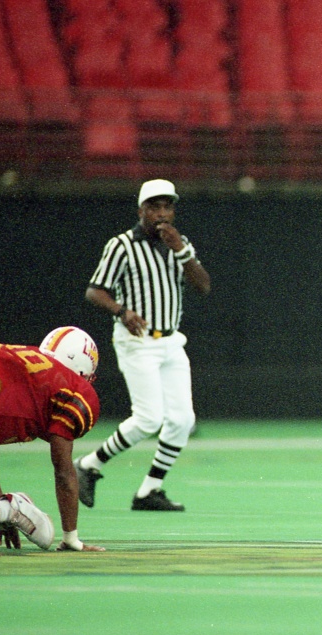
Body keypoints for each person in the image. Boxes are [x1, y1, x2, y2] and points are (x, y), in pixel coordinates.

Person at [75, 179, 211, 512]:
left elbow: (204, 286)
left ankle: (149, 490)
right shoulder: (122, 245)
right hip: (138, 342)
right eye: (155, 207)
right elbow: (95, 290)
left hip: (171, 341)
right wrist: (121, 311)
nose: (162, 214)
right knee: (149, 419)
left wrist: (181, 250)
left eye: (167, 206)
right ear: (141, 211)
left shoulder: (179, 244)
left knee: (181, 419)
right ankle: (89, 464)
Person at [0, 327, 105, 551]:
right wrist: (71, 538)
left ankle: (8, 509)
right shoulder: (74, 390)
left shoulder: (27, 364)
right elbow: (64, 472)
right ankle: (11, 509)